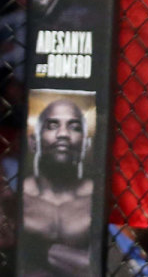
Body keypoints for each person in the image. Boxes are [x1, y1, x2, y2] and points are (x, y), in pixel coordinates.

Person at [21, 98, 93, 277]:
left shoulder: (98, 198)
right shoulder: (16, 195)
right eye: (52, 126)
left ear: (86, 144)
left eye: (74, 127)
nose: (63, 134)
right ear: (33, 142)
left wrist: (37, 252)